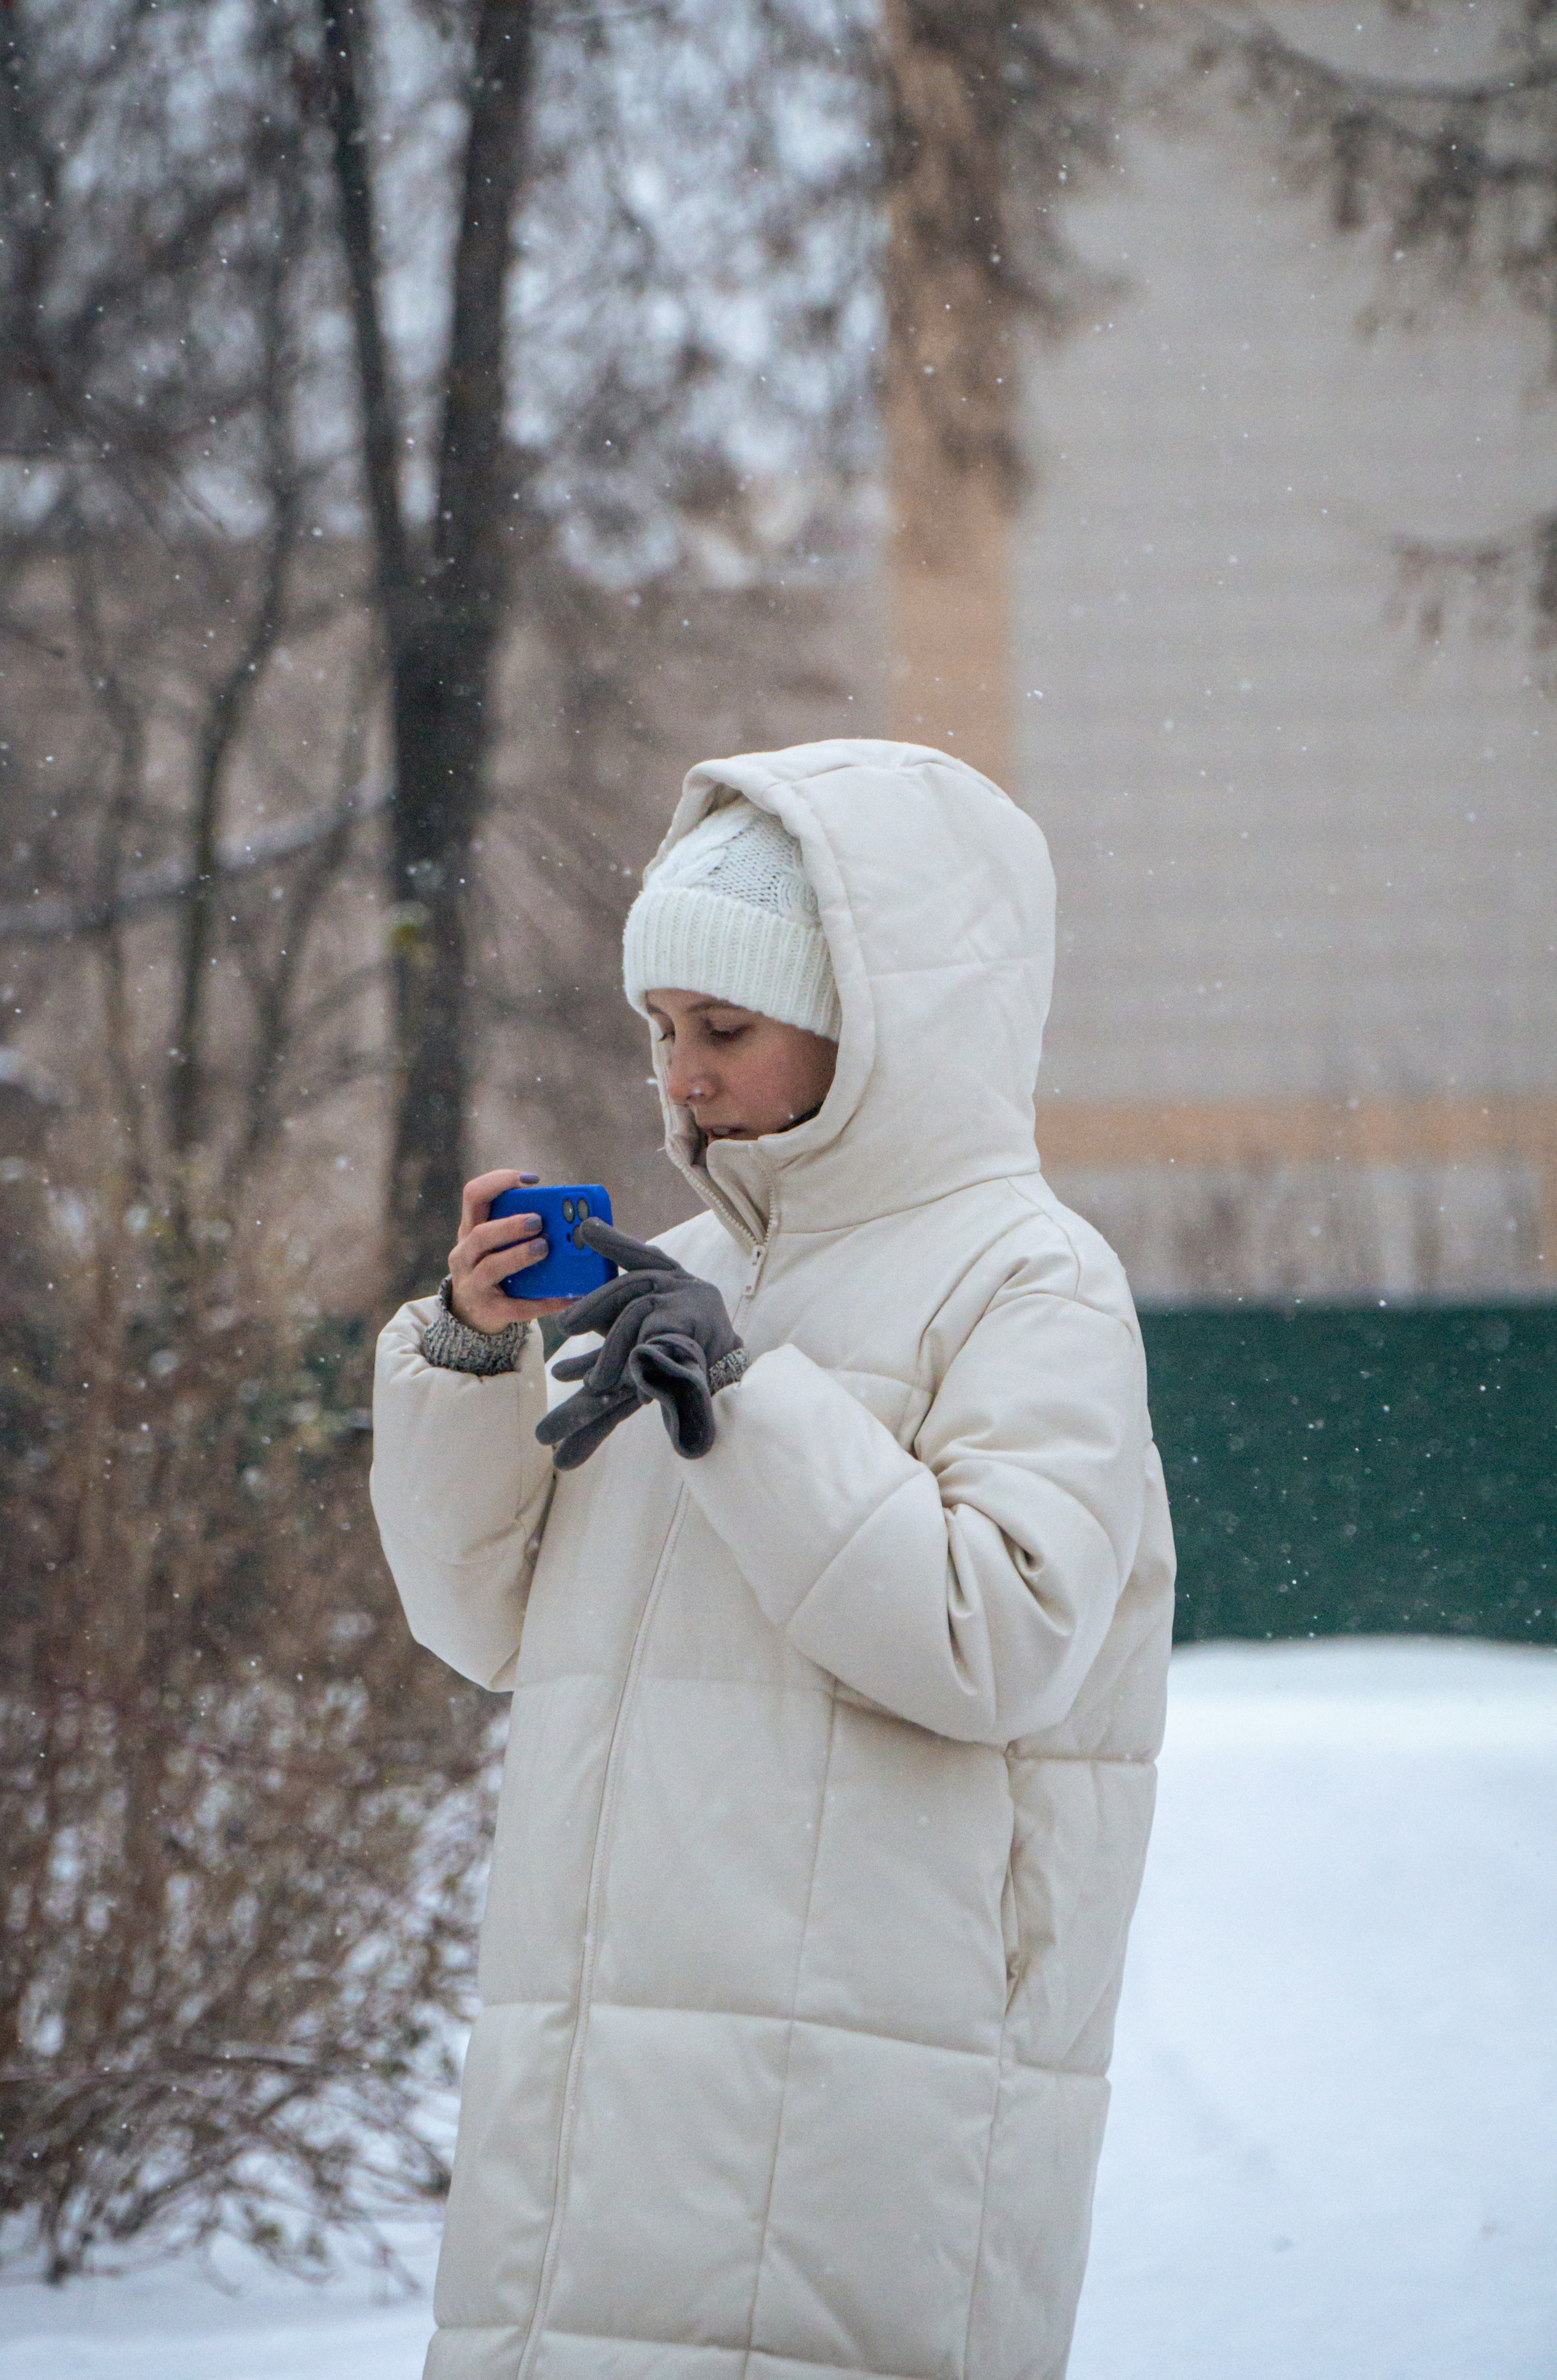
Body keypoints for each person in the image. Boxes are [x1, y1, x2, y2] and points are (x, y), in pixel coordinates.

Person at [370, 737, 1175, 2380]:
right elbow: (486, 1624)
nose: (681, 1077)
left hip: (864, 2107)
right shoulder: (673, 1278)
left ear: (878, 1014)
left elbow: (997, 1641)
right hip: (595, 2108)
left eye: (724, 1027)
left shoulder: (1032, 1282)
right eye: (662, 1031)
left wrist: (738, 1395)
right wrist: (466, 1353)